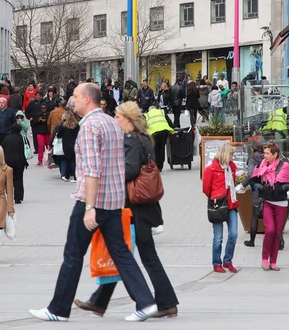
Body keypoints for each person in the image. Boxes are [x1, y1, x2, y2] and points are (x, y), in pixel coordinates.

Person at [28, 83, 157, 323]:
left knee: (73, 254)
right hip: (113, 200)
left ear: (87, 99)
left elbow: (92, 170)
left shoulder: (88, 127)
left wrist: (89, 207)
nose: (72, 100)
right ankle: (146, 301)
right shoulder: (110, 122)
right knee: (121, 253)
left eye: (75, 96)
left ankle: (58, 309)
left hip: (93, 201)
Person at [74, 101, 179, 318]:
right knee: (125, 253)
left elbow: (130, 170)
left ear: (128, 120)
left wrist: (107, 175)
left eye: (118, 116)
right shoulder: (143, 138)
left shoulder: (131, 140)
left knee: (130, 254)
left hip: (136, 209)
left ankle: (165, 302)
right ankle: (100, 301)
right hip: (144, 207)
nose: (115, 120)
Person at [252, 142, 289, 271]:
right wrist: (258, 187)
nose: (264, 156)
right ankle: (265, 259)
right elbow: (253, 180)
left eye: (267, 153)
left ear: (275, 154)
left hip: (281, 204)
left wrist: (284, 187)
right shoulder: (262, 165)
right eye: (264, 153)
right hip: (268, 203)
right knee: (270, 230)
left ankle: (274, 261)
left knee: (277, 233)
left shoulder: (284, 166)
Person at [202, 143, 239, 273]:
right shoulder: (211, 169)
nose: (232, 156)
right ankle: (216, 262)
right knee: (218, 237)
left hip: (231, 203)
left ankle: (227, 260)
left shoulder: (231, 167)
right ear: (225, 154)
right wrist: (216, 197)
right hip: (218, 204)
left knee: (233, 234)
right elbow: (206, 189)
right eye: (231, 154)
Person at [236, 142, 265, 247]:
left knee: (254, 216)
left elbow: (250, 173)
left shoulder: (253, 159)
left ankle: (252, 241)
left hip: (257, 189)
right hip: (269, 187)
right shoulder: (267, 156)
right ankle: (280, 241)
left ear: (252, 149)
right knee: (272, 216)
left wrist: (243, 185)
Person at [2, 123, 28, 204]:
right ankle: (18, 198)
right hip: (19, 161)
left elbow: (2, 148)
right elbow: (22, 151)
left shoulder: (7, 138)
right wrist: (25, 162)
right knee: (19, 179)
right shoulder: (20, 138)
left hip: (8, 161)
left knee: (9, 180)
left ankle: (9, 196)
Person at [144, 106, 174, 171]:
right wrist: (172, 129)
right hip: (164, 132)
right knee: (162, 148)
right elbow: (170, 122)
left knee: (155, 149)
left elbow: (144, 126)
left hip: (154, 133)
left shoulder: (146, 115)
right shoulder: (161, 112)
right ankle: (160, 166)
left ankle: (156, 165)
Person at [56, 110, 80, 182]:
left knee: (68, 160)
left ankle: (67, 176)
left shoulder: (63, 125)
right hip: (75, 144)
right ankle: (75, 176)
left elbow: (59, 135)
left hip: (66, 145)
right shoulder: (76, 125)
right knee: (74, 160)